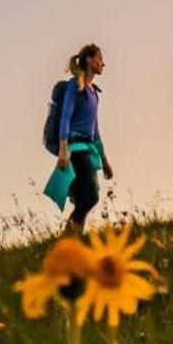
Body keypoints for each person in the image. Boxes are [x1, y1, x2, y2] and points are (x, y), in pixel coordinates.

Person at [51, 45, 114, 234]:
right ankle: (66, 238)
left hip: (89, 149)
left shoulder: (94, 93)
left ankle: (72, 241)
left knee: (82, 199)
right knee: (91, 197)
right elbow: (65, 117)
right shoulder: (74, 86)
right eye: (100, 58)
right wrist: (63, 149)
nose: (103, 63)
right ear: (89, 59)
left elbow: (95, 131)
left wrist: (105, 160)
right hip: (75, 149)